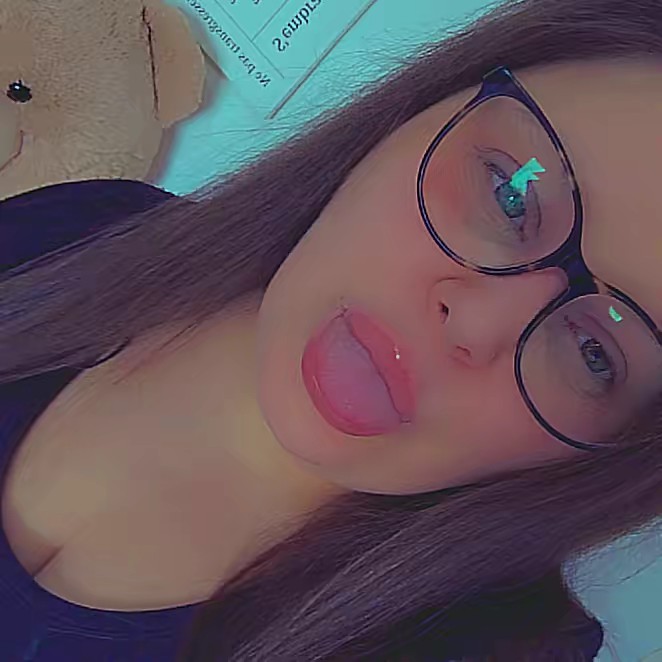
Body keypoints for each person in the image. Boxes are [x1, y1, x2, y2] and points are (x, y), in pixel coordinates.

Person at [0, 0, 660, 659]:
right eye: (509, 195)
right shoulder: (87, 228)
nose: (477, 319)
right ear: (419, 108)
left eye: (594, 352)